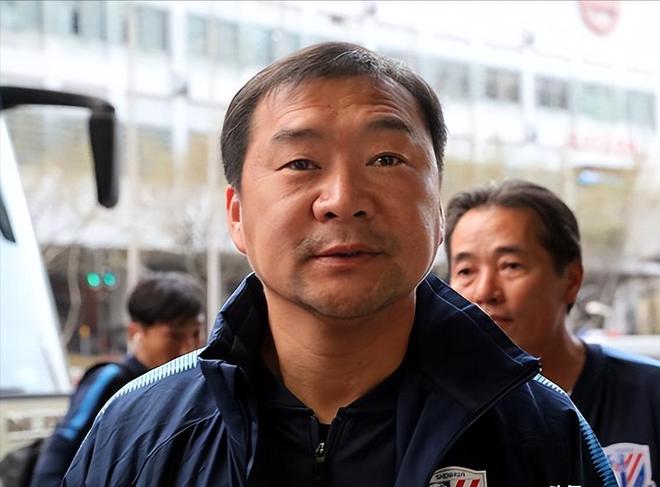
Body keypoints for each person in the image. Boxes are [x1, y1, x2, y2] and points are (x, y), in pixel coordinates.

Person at [64, 42, 617, 486]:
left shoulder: (543, 430)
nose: (343, 199)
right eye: (300, 163)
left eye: (386, 159)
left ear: (437, 207)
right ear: (237, 215)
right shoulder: (140, 432)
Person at [445, 178, 660, 486]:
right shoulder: (433, 412)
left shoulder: (649, 396)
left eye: (511, 266)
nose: (484, 291)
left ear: (571, 280)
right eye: (466, 271)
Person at [31, 271, 204, 487]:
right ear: (135, 331)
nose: (189, 347)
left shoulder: (194, 385)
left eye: (195, 334)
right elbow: (63, 445)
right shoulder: (110, 379)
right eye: (175, 336)